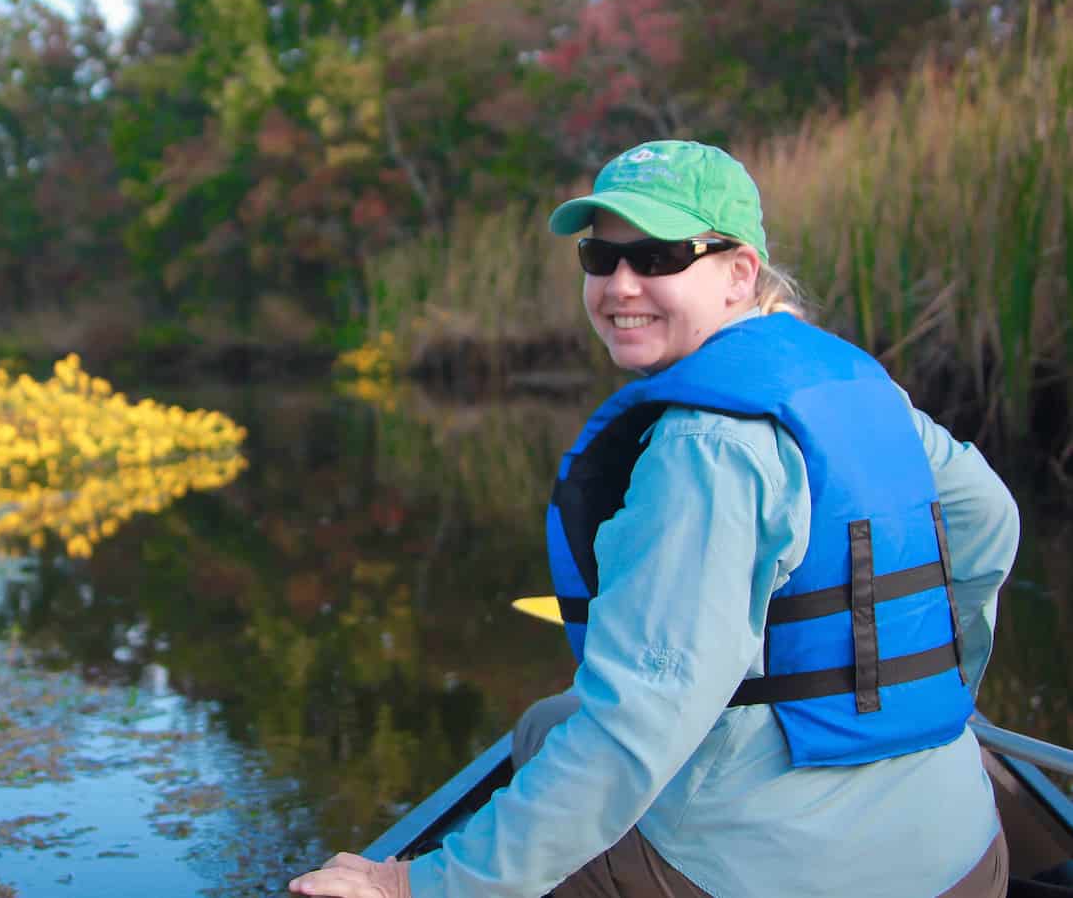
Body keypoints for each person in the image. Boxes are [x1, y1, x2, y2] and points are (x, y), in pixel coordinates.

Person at [287, 140, 1019, 898]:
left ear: (740, 273)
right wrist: (919, 684)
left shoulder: (705, 447)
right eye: (599, 257)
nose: (619, 284)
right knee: (546, 724)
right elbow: (990, 522)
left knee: (570, 758)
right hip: (967, 854)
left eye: (662, 256)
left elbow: (635, 728)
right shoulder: (857, 385)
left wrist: (415, 887)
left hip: (780, 874)